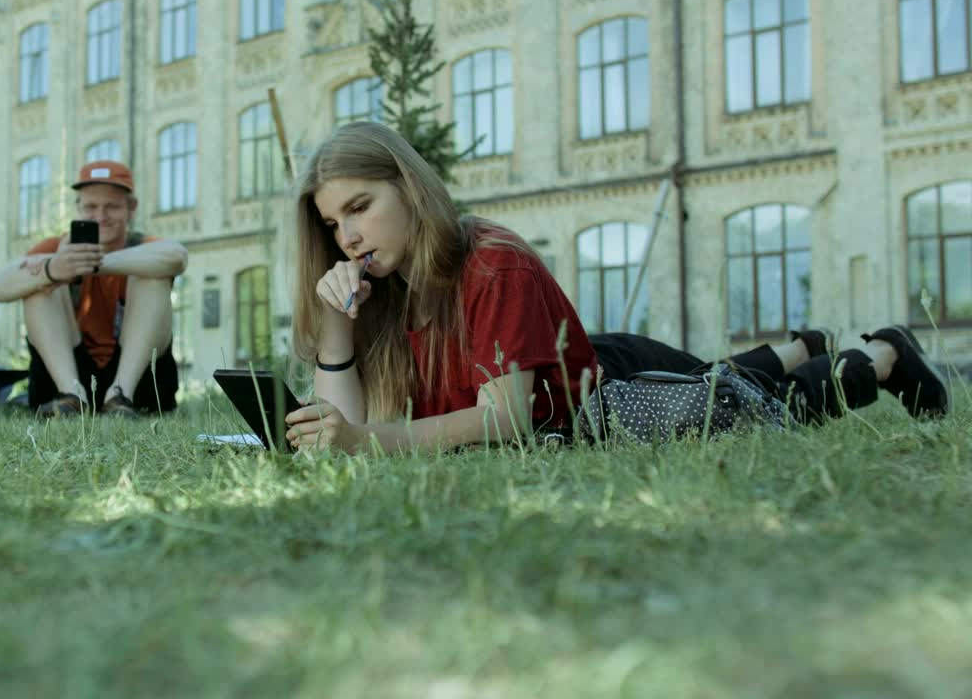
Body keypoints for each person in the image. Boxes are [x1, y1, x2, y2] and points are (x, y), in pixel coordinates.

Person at [282, 122, 950, 451]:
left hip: (607, 390)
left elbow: (506, 418)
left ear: (410, 188)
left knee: (761, 410)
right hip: (584, 366)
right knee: (722, 379)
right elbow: (345, 427)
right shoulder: (381, 290)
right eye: (333, 223)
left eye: (360, 207)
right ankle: (804, 346)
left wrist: (364, 441)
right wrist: (336, 328)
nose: (348, 236)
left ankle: (883, 354)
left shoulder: (492, 265)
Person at [0, 160, 187, 418]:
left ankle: (120, 396)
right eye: (91, 207)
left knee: (153, 275)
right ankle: (71, 396)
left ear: (131, 208)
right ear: (78, 207)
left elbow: (178, 256)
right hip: (65, 377)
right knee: (39, 282)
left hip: (139, 382)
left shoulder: (145, 247)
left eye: (112, 206)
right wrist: (53, 270)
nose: (100, 216)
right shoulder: (56, 248)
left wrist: (92, 264)